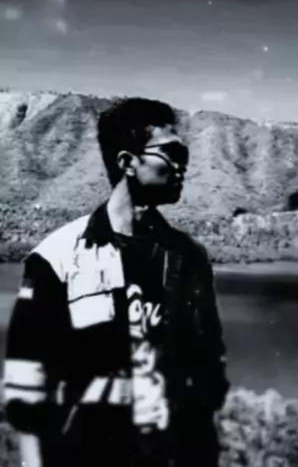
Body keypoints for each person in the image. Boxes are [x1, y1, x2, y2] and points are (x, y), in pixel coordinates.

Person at [4, 97, 230, 467]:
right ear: (127, 162)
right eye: (173, 153)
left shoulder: (189, 258)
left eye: (185, 154)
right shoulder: (58, 258)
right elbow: (28, 385)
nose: (183, 165)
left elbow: (209, 367)